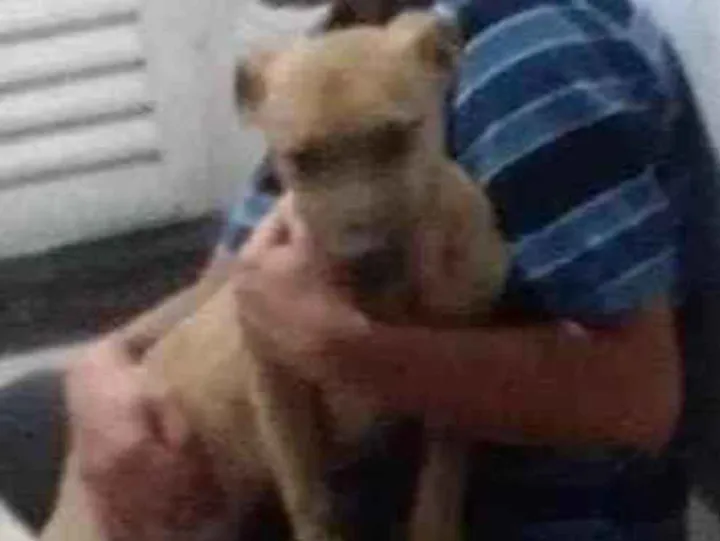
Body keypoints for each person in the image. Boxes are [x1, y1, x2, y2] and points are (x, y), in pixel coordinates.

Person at [2, 0, 717, 539]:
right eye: (309, 163)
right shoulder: (337, 53)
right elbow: (235, 283)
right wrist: (105, 362)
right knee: (31, 412)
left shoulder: (532, 54)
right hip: (335, 464)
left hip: (508, 514)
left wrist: (337, 347)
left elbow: (639, 399)